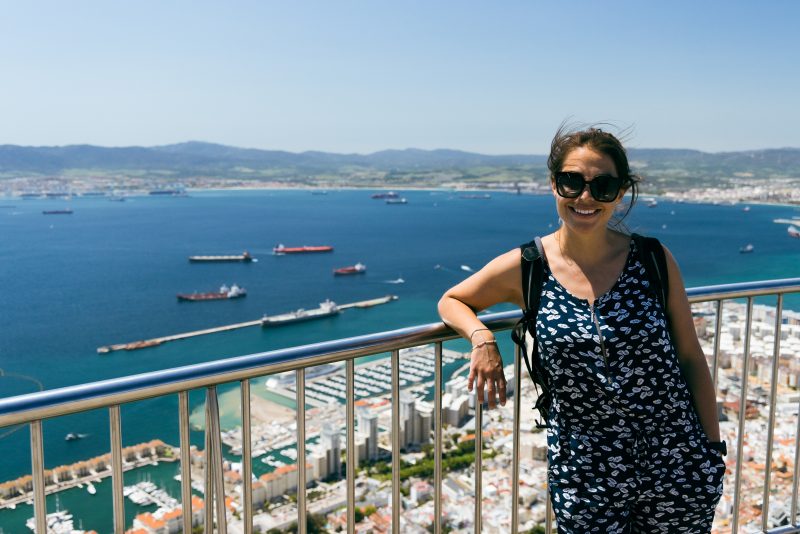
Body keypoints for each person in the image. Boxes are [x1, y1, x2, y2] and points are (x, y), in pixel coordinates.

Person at [437, 125, 725, 533]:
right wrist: (482, 339)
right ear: (554, 184)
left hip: (676, 460)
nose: (585, 197)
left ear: (620, 192)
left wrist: (711, 450)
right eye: (572, 181)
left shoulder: (653, 259)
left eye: (602, 186)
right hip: (586, 472)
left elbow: (690, 357)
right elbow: (452, 301)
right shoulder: (529, 266)